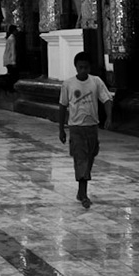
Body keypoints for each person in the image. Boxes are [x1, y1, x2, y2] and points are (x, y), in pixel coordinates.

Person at [57, 52, 112, 208]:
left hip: (92, 127)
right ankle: (84, 194)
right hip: (76, 128)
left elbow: (106, 99)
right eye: (80, 67)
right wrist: (61, 129)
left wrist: (109, 117)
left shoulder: (96, 82)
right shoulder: (68, 84)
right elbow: (62, 106)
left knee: (89, 158)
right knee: (81, 159)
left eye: (86, 67)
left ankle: (81, 192)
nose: (83, 70)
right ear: (76, 67)